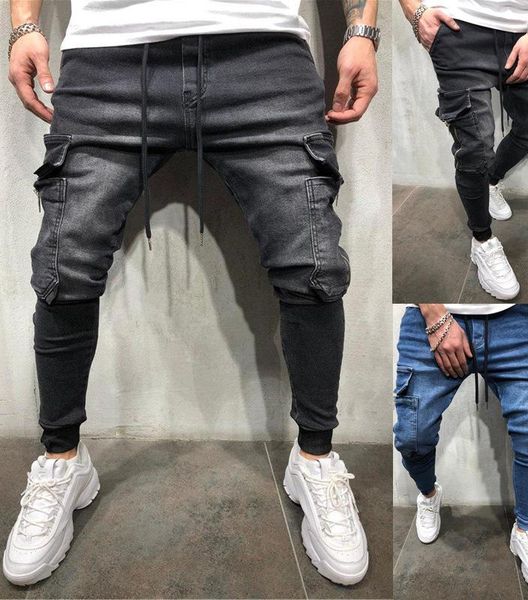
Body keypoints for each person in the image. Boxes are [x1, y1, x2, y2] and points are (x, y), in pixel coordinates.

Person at [3, 0, 380, 587]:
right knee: (64, 266)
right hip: (108, 61)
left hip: (265, 58)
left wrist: (362, 29)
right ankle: (62, 462)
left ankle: (315, 459)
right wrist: (23, 26)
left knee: (314, 266)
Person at [394, 303, 528, 595]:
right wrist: (434, 314)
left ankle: (524, 531)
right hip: (430, 318)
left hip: (514, 324)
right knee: (412, 436)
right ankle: (429, 495)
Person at [398, 0, 528, 300]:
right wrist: (415, 12)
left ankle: (492, 181)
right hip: (459, 30)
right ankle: (482, 241)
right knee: (475, 148)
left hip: (525, 33)